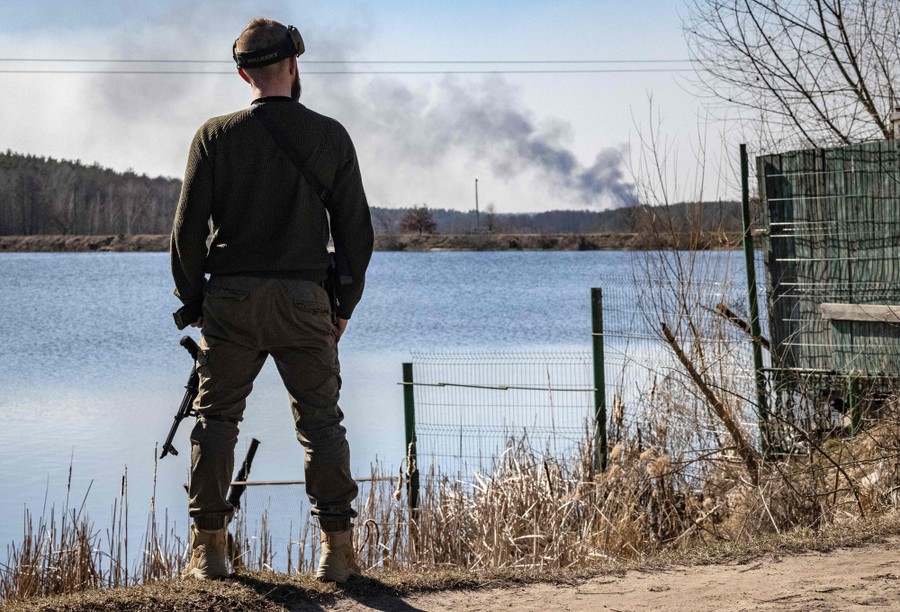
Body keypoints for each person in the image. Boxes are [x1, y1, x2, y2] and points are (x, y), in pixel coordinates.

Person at [170, 17, 374, 582]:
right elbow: (356, 234)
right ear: (292, 64)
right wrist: (343, 306)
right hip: (307, 300)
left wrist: (194, 301)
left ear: (244, 75)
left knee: (215, 421)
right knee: (321, 424)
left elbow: (186, 232)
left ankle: (210, 553)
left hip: (230, 299)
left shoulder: (213, 136)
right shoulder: (330, 136)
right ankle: (337, 553)